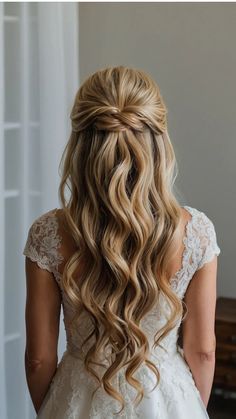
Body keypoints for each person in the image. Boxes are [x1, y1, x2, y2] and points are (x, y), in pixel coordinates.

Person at [23, 65, 221, 419]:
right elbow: (203, 351)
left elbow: (39, 358)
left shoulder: (49, 233)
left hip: (78, 398)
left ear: (80, 144)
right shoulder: (197, 232)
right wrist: (189, 405)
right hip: (167, 401)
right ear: (159, 141)